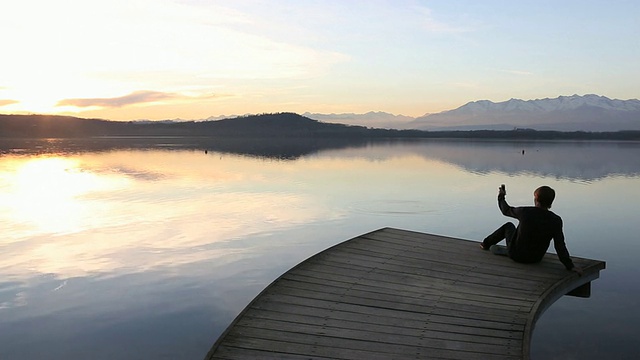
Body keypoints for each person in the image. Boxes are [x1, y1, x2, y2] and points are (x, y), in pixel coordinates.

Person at [480, 184, 583, 275]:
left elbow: (506, 210)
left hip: (516, 255)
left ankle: (485, 244)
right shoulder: (556, 220)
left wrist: (501, 196)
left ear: (536, 198)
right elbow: (559, 245)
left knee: (509, 226)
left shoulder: (525, 212)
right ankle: (509, 249)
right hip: (536, 258)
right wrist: (570, 266)